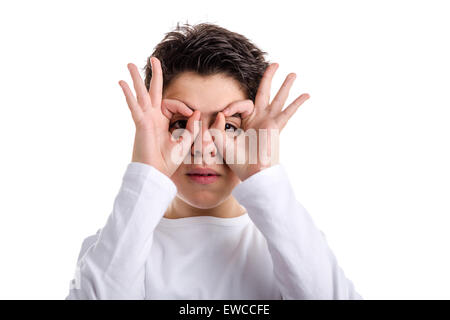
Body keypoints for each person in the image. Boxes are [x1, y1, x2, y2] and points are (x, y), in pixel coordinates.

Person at [65, 22, 362, 300]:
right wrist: (147, 173)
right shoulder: (112, 247)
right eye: (181, 124)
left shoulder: (293, 243)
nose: (204, 147)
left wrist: (264, 176)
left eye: (229, 126)